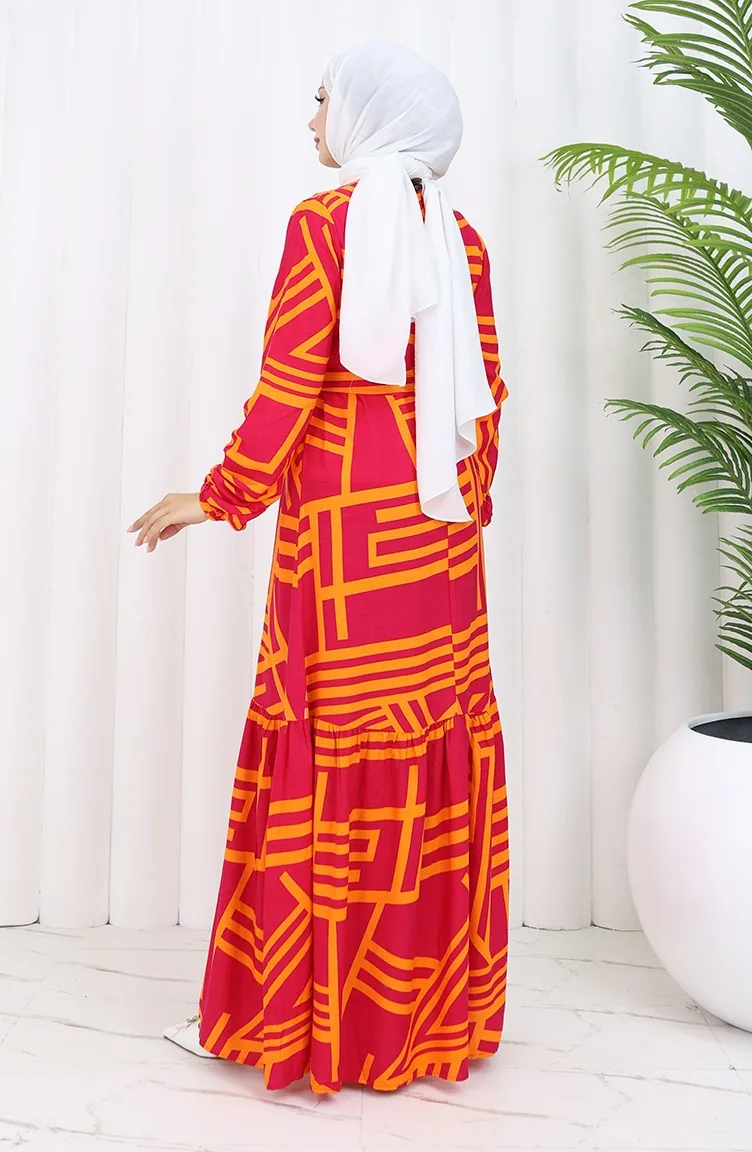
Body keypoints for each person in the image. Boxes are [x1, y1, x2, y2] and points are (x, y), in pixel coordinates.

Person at [129, 39, 509, 1095]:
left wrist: (218, 495)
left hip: (343, 543)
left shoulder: (324, 226)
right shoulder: (459, 238)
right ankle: (419, 1024)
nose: (310, 121)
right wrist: (463, 514)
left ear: (371, 115)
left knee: (330, 749)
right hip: (437, 538)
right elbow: (486, 399)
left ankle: (302, 1023)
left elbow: (289, 384)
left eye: (322, 101)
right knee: (423, 746)